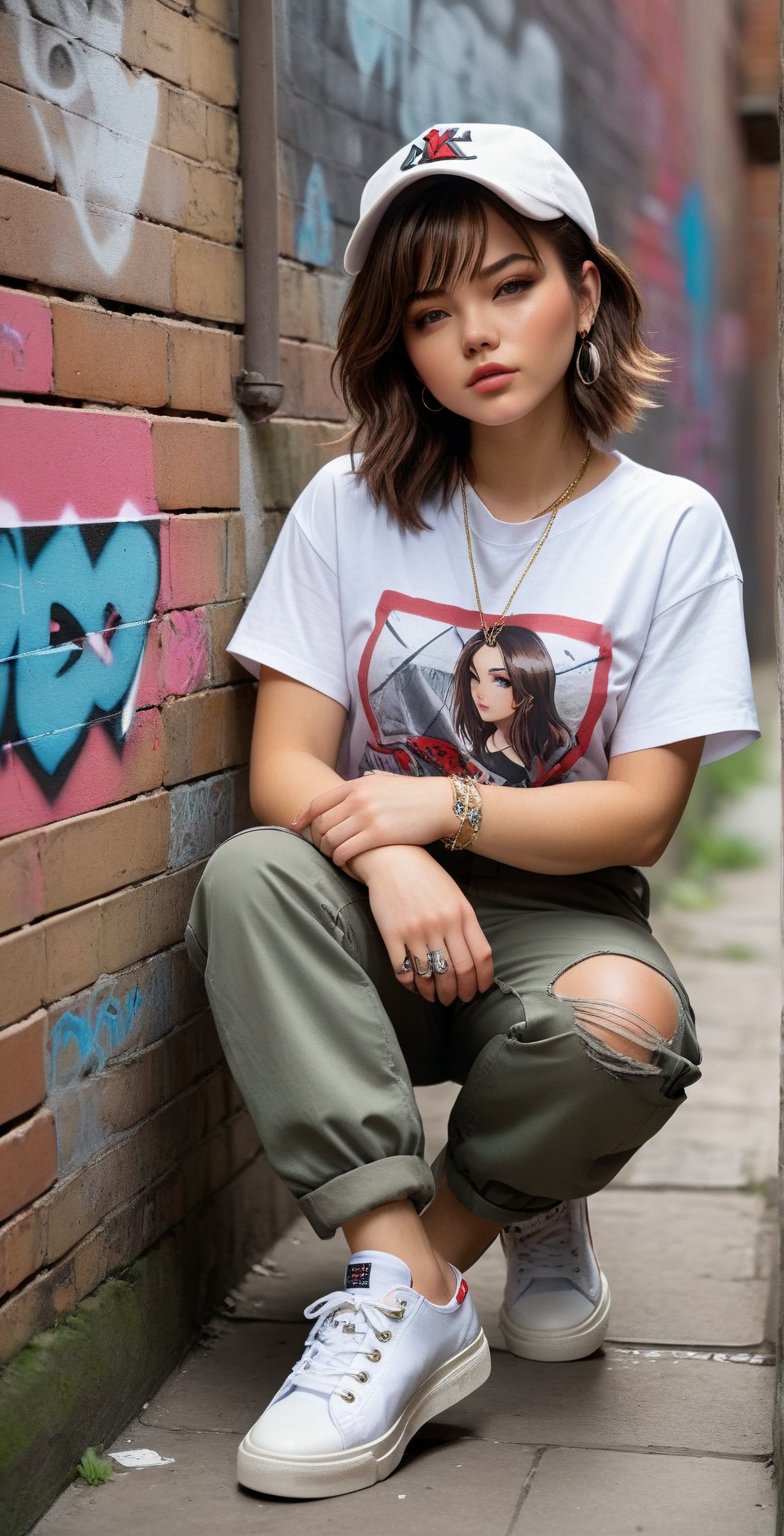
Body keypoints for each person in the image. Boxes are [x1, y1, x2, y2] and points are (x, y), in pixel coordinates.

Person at [186, 122, 759, 1501]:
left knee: (630, 1025)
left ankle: (470, 1229)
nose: (476, 337)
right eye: (430, 312)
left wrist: (436, 803)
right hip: (370, 913)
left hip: (555, 918)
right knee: (251, 876)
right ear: (399, 340)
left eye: (511, 284)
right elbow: (285, 773)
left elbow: (635, 821)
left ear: (585, 287)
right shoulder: (347, 505)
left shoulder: (669, 527)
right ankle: (405, 1287)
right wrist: (389, 860)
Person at [451, 625, 576, 786]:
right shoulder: (482, 740)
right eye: (474, 676)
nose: (479, 692)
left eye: (501, 680)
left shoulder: (554, 750)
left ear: (530, 687)